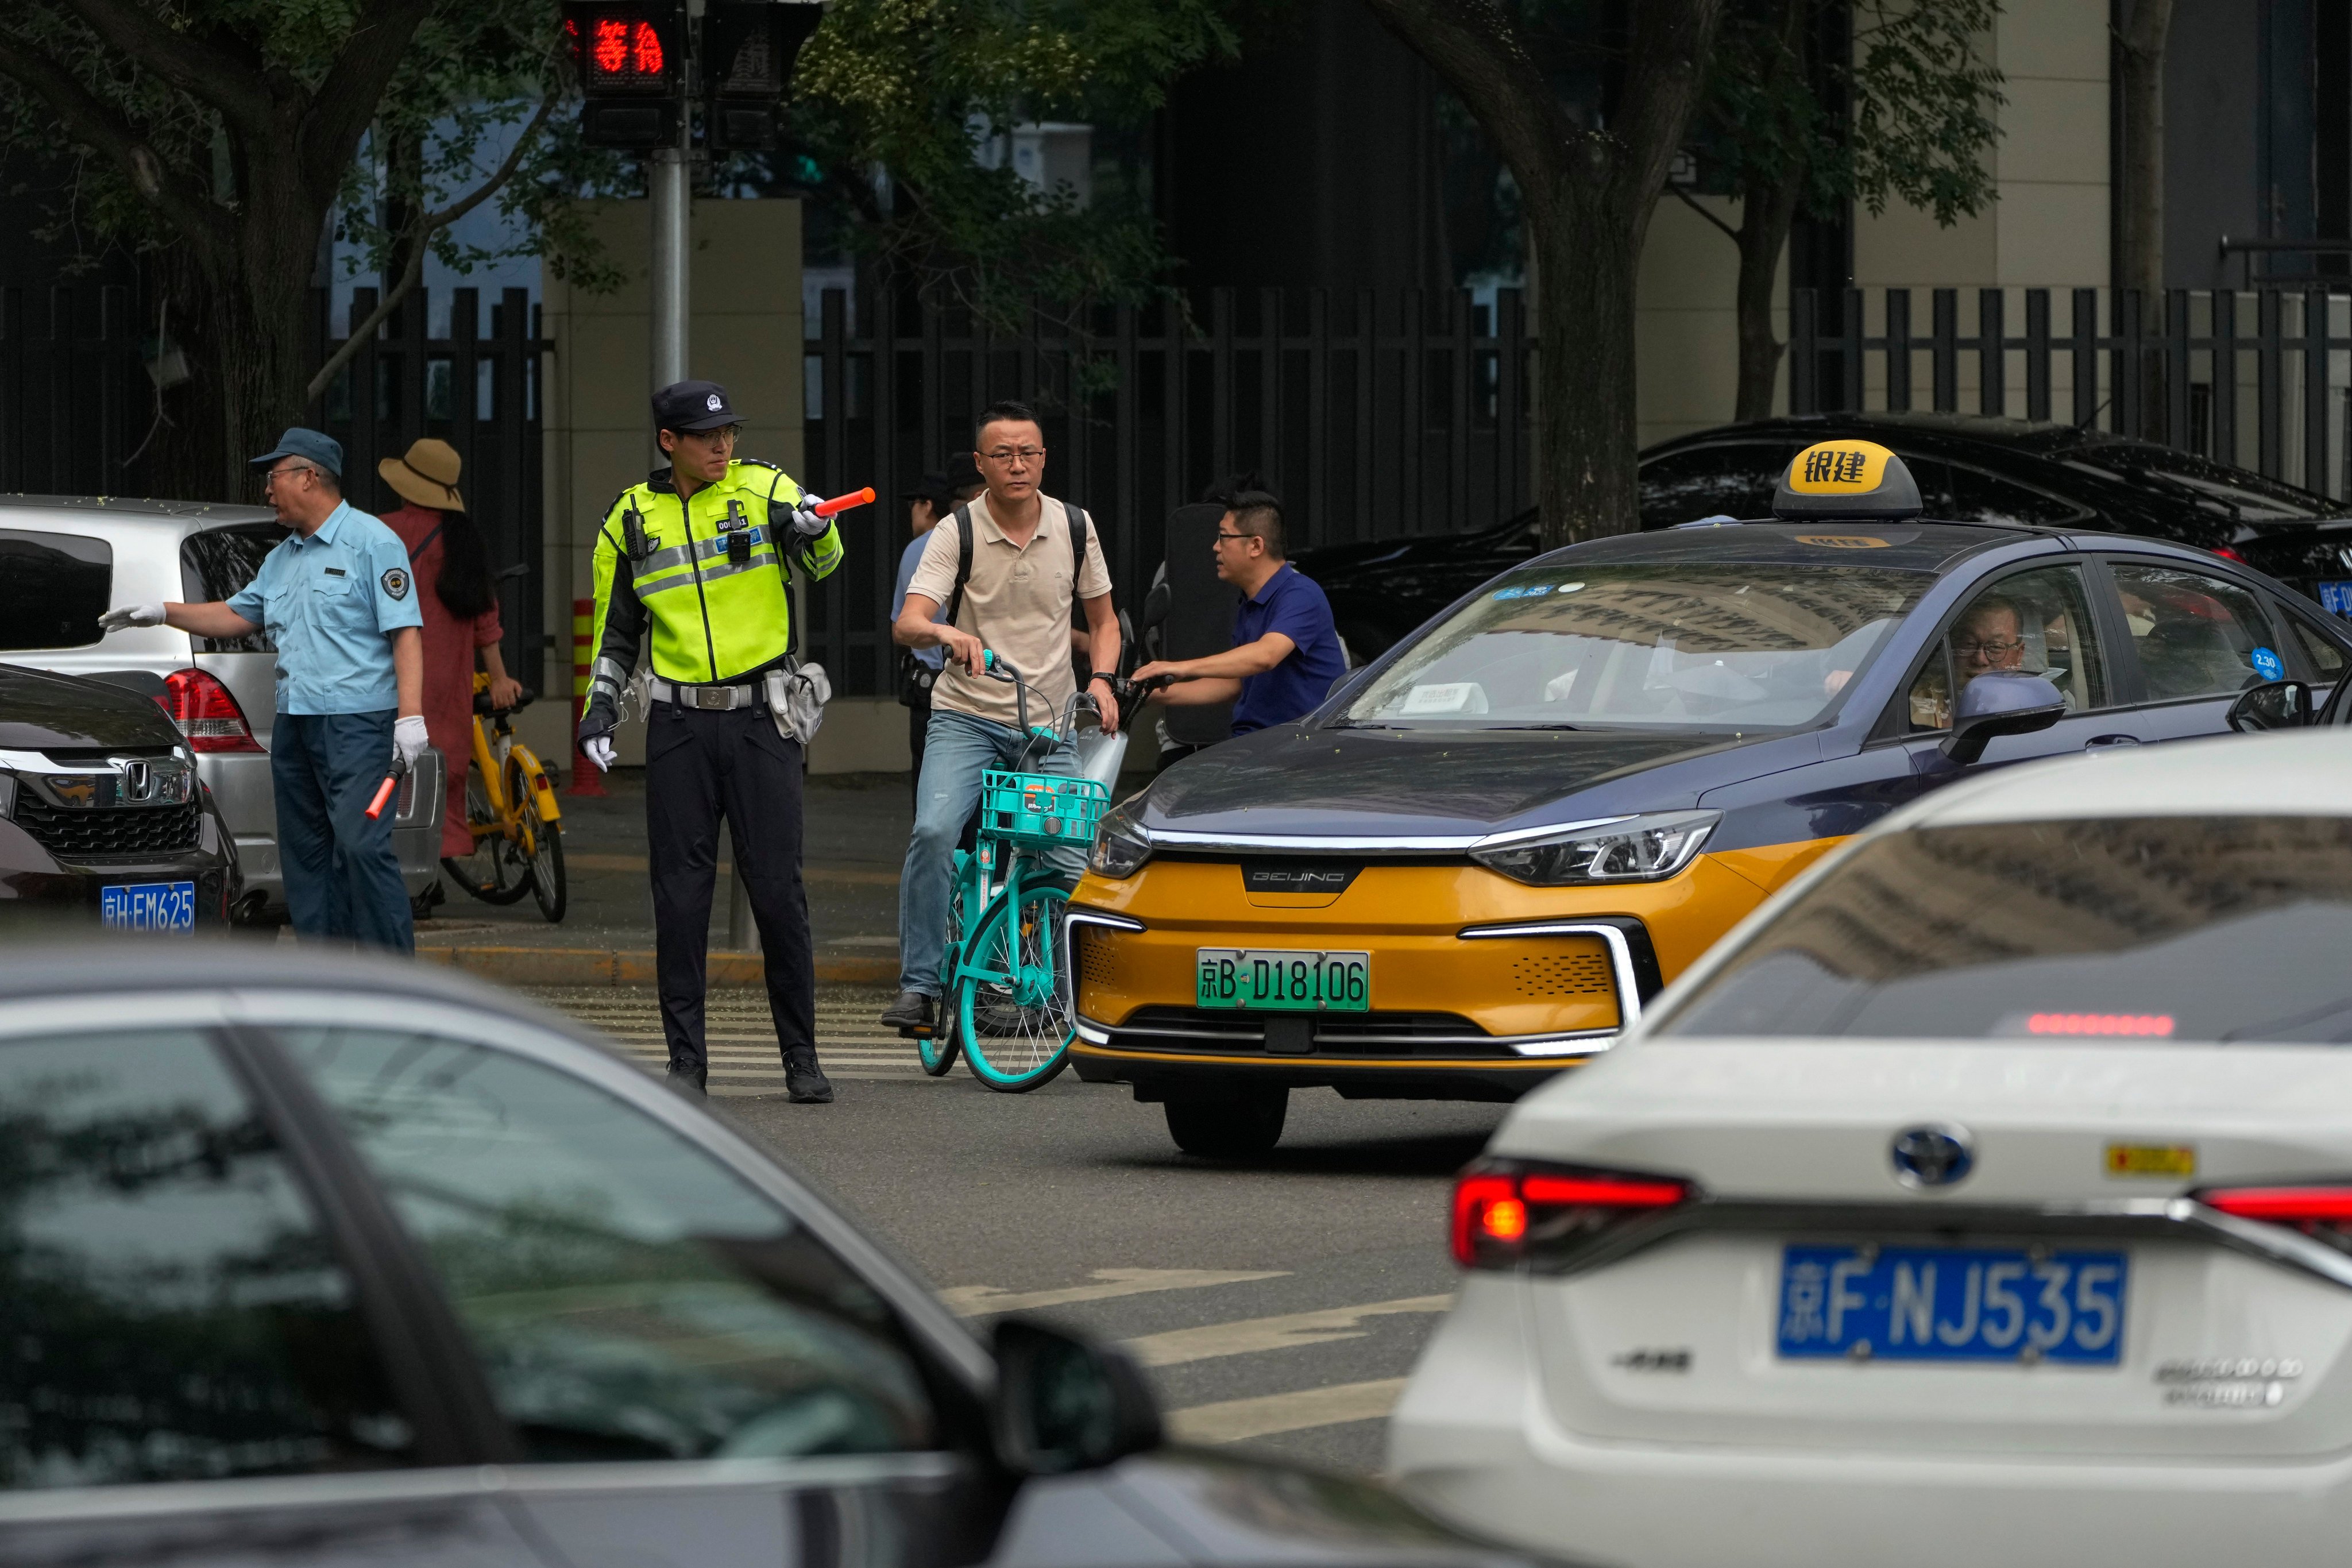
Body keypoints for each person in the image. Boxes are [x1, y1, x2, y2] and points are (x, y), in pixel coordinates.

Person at [577, 380, 846, 1103]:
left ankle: (801, 1056)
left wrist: (815, 528)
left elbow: (823, 562)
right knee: (680, 897)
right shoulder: (629, 517)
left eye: (728, 432)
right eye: (706, 436)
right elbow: (615, 631)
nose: (723, 446)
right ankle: (687, 1061)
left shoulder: (765, 489)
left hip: (764, 717)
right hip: (678, 726)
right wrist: (599, 711)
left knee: (779, 893)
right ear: (670, 442)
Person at [98, 428, 427, 951]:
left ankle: (392, 974)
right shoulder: (282, 559)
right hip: (296, 726)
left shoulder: (372, 542)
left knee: (362, 846)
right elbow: (232, 614)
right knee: (306, 852)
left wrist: (410, 717)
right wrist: (162, 612)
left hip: (358, 725)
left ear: (309, 477)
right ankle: (328, 974)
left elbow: (405, 632)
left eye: (274, 478)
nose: (268, 491)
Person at [880, 400, 1121, 1036]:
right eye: (1004, 455)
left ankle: (1086, 995)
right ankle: (920, 984)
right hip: (966, 716)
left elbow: (1103, 624)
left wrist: (1101, 680)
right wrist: (943, 632)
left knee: (1075, 862)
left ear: (1044, 458)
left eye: (1029, 453)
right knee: (934, 831)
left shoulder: (1074, 525)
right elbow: (907, 623)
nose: (1018, 465)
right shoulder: (955, 530)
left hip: (1047, 723)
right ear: (982, 464)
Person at [376, 438, 525, 863]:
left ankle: (404, 870)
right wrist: (498, 677)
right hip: (448, 681)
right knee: (444, 769)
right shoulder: (464, 541)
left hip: (393, 674)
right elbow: (486, 620)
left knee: (394, 773)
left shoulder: (383, 531)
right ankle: (438, 859)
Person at [1132, 489, 1346, 735]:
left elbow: (1266, 655)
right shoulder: (1249, 602)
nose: (1215, 547)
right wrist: (1149, 695)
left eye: (1223, 537)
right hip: (1256, 744)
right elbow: (1234, 685)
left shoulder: (1301, 593)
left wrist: (1181, 667)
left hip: (1300, 748)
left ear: (1256, 545)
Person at [891, 453, 984, 798]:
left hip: (931, 691)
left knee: (932, 795)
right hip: (993, 688)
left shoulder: (920, 548)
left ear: (927, 504)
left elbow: (898, 628)